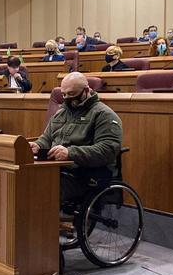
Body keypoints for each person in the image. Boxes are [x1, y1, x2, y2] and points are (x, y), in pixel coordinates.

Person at [29, 72, 122, 201]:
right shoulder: (61, 113)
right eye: (64, 94)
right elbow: (47, 138)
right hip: (57, 169)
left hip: (85, 173)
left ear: (86, 90)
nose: (67, 98)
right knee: (25, 179)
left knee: (39, 188)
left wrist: (70, 153)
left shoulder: (103, 114)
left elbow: (108, 150)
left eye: (72, 94)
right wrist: (38, 145)